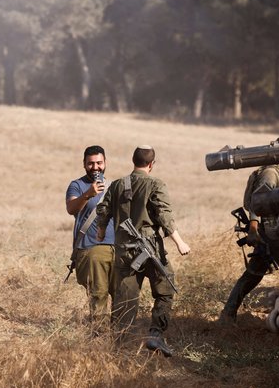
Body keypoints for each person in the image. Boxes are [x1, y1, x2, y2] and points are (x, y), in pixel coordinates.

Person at [96, 145, 191, 356]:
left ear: (133, 161)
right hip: (151, 250)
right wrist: (180, 242)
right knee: (166, 289)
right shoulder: (155, 184)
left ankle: (118, 348)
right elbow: (164, 216)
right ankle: (156, 335)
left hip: (124, 252)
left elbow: (103, 209)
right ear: (151, 164)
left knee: (124, 298)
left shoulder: (118, 185)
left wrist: (101, 231)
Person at [217, 136, 279, 326]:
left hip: (274, 230)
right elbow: (258, 201)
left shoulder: (277, 172)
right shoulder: (270, 172)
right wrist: (254, 228)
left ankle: (228, 314)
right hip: (272, 231)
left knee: (255, 273)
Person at [66, 146, 116, 329]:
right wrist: (88, 194)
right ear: (84, 165)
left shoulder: (114, 186)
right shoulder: (77, 185)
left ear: (105, 163)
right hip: (91, 248)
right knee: (98, 295)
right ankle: (99, 338)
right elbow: (71, 208)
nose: (95, 167)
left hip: (116, 248)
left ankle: (120, 338)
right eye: (91, 163)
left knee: (121, 296)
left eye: (99, 163)